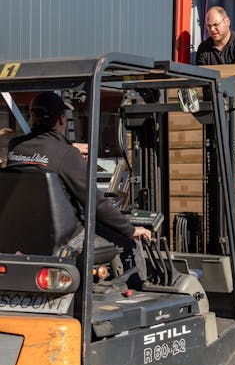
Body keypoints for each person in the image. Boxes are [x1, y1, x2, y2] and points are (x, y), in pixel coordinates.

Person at [7, 92, 152, 248]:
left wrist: (70, 148)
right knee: (133, 245)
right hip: (66, 237)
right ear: (62, 118)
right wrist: (129, 229)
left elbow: (43, 152)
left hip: (23, 233)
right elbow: (96, 202)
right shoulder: (67, 154)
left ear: (33, 117)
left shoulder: (15, 147)